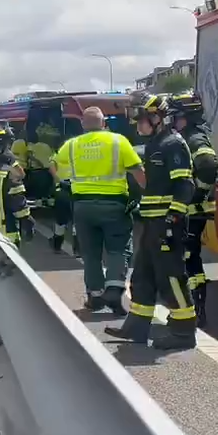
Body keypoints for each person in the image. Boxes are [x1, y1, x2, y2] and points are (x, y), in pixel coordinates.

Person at [104, 94, 198, 350]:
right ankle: (137, 327)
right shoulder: (156, 143)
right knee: (142, 275)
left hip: (167, 223)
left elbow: (185, 186)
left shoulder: (172, 144)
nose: (138, 125)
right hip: (151, 222)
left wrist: (173, 218)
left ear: (159, 118)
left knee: (172, 278)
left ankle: (183, 332)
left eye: (142, 120)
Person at [51, 106, 145, 314]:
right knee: (118, 248)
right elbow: (138, 170)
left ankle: (94, 297)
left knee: (90, 253)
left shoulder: (73, 144)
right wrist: (148, 194)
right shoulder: (118, 141)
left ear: (83, 124)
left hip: (83, 206)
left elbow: (54, 164)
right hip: (114, 205)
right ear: (104, 123)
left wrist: (64, 182)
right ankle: (113, 289)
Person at [169, 92, 218, 327]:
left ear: (185, 117)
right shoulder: (188, 136)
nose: (172, 121)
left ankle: (194, 310)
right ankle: (197, 308)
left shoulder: (194, 138)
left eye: (175, 116)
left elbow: (208, 166)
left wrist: (194, 194)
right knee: (191, 259)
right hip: (191, 210)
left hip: (190, 210)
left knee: (186, 258)